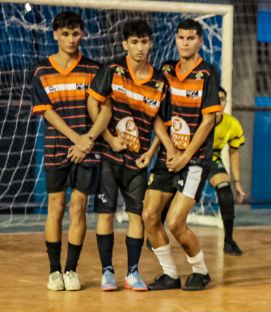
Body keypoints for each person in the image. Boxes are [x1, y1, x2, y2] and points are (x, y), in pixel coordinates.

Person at [87, 20, 172, 291]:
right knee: (106, 215)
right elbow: (93, 102)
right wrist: (109, 139)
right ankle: (107, 272)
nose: (139, 47)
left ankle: (133, 273)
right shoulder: (112, 70)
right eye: (134, 42)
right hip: (109, 158)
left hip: (137, 161)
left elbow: (160, 121)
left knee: (136, 216)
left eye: (144, 41)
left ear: (151, 43)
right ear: (125, 44)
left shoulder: (160, 81)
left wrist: (150, 151)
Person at [31, 11, 111, 291]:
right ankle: (54, 271)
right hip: (57, 148)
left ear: (83, 34)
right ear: (55, 35)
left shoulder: (95, 69)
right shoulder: (42, 70)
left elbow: (105, 111)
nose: (70, 39)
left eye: (75, 33)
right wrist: (76, 139)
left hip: (88, 148)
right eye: (65, 34)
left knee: (78, 208)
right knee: (56, 207)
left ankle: (71, 270)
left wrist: (87, 140)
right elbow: (47, 113)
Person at [143, 19, 221, 291]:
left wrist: (185, 156)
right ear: (175, 39)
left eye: (191, 38)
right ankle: (170, 275)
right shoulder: (165, 69)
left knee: (175, 222)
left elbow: (209, 121)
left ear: (200, 41)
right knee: (150, 216)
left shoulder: (208, 74)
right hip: (168, 155)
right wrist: (169, 149)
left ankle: (200, 271)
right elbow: (155, 115)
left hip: (195, 161)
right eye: (181, 38)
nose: (185, 42)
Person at [209, 87, 247, 255]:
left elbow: (233, 153)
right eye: (216, 99)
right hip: (190, 157)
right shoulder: (196, 119)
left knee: (225, 192)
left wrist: (237, 183)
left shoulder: (232, 124)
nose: (219, 103)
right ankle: (156, 235)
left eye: (223, 99)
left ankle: (228, 241)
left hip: (212, 159)